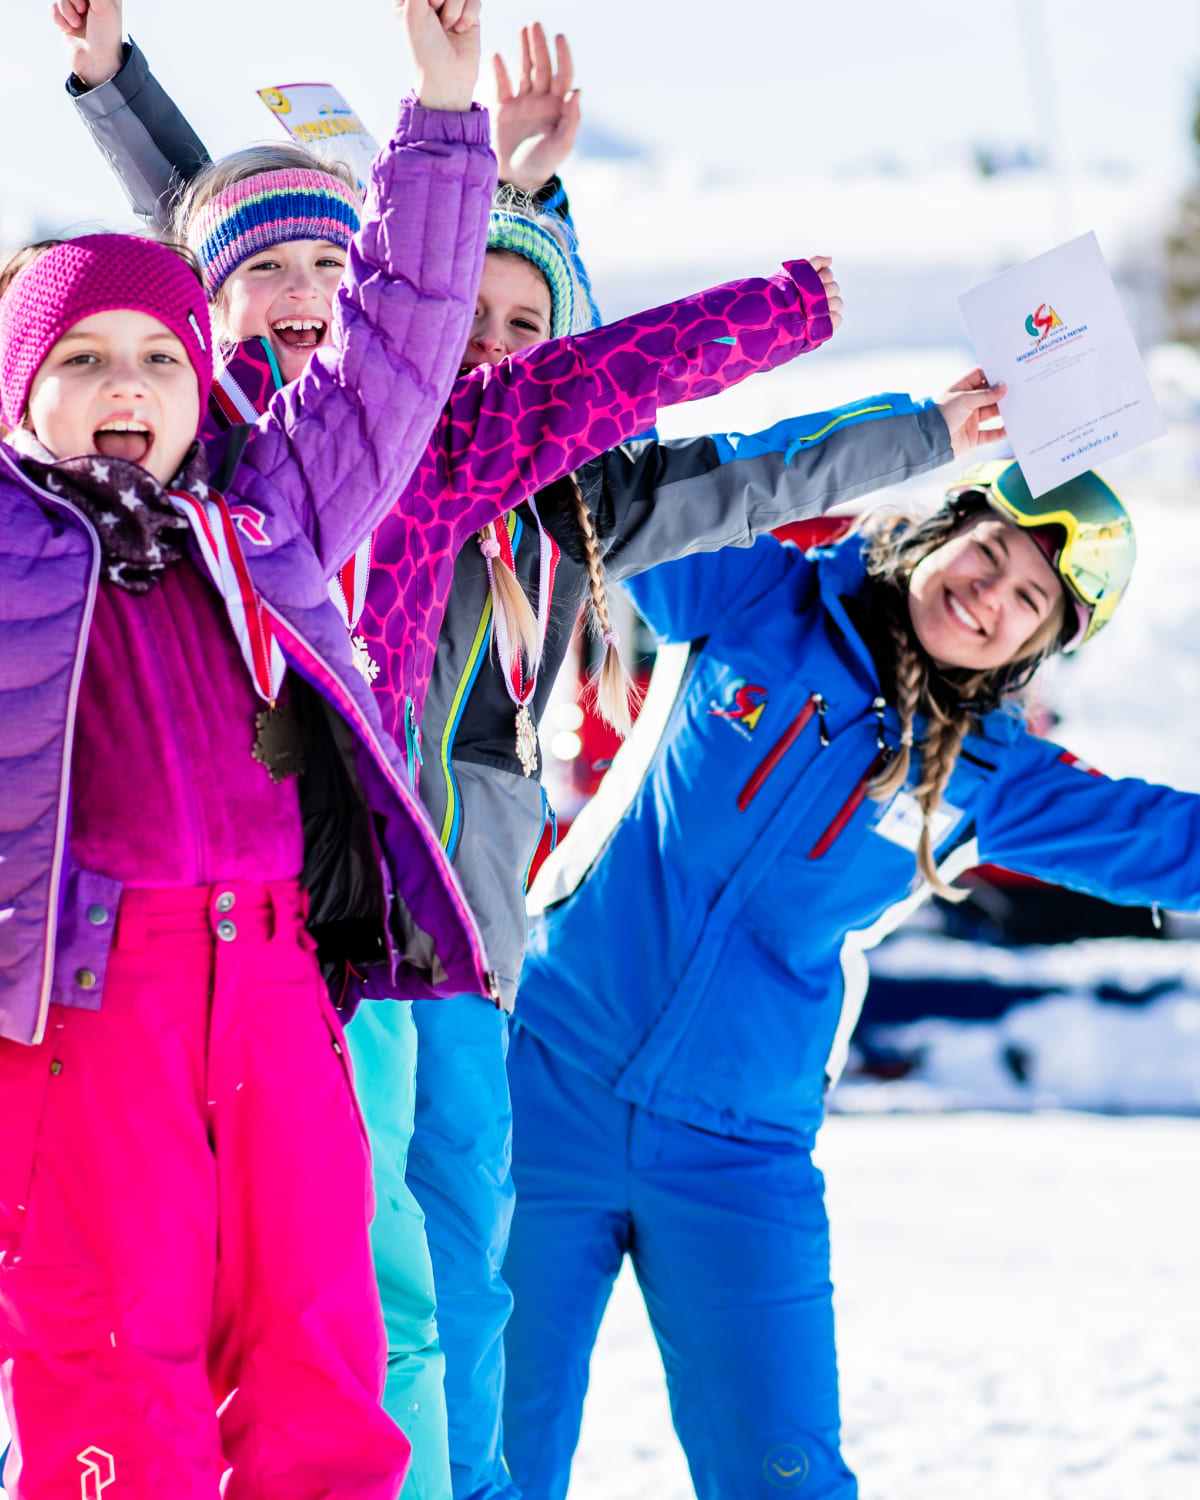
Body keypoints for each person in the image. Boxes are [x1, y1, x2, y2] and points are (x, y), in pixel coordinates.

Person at [0, 3, 496, 1493]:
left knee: (320, 1351)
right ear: (18, 393)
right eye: (80, 358)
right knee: (110, 1353)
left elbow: (399, 345)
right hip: (90, 1003)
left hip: (282, 988)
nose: (127, 386)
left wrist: (446, 115)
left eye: (159, 354)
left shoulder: (270, 513)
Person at [502, 459, 1200, 1500]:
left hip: (741, 1154)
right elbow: (632, 486)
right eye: (991, 551)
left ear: (1040, 644)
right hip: (546, 1084)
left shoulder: (989, 777)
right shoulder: (753, 593)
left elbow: (1166, 838)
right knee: (487, 1455)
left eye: (1028, 601)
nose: (989, 596)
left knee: (783, 1477)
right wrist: (905, 430)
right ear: (945, 529)